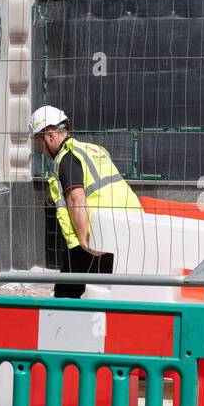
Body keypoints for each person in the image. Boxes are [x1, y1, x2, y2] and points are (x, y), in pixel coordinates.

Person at [29, 105, 142, 298]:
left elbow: (76, 198)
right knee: (110, 291)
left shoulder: (67, 157)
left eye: (38, 142)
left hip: (97, 233)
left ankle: (65, 326)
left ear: (49, 135)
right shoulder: (94, 149)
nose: (40, 149)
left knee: (66, 293)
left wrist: (84, 241)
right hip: (129, 227)